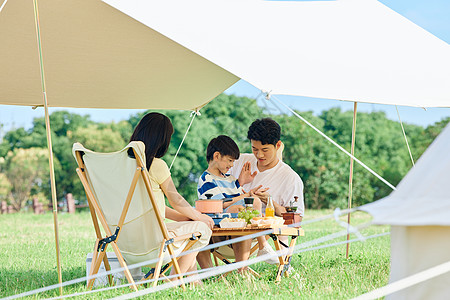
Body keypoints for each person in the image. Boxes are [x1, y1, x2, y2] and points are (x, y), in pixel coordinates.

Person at [128, 112, 214, 281]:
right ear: (162, 140)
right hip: (153, 245)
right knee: (203, 229)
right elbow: (176, 199)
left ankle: (194, 280)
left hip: (125, 244)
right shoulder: (155, 164)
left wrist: (187, 218)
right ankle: (175, 280)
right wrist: (199, 217)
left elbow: (153, 205)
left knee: (194, 227)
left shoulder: (122, 166)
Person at [196, 135, 279, 268]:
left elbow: (239, 200)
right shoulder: (206, 179)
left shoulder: (230, 179)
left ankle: (261, 246)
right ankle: (260, 248)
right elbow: (220, 204)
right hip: (220, 232)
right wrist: (245, 195)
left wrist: (243, 186)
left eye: (233, 161)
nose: (232, 165)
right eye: (229, 160)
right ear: (216, 156)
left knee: (253, 202)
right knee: (239, 209)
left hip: (240, 230)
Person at [230, 118, 304, 227]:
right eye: (254, 149)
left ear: (277, 146)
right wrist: (238, 183)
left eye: (265, 150)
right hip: (230, 224)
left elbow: (297, 221)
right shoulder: (239, 161)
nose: (259, 155)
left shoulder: (290, 178)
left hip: (261, 233)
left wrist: (270, 203)